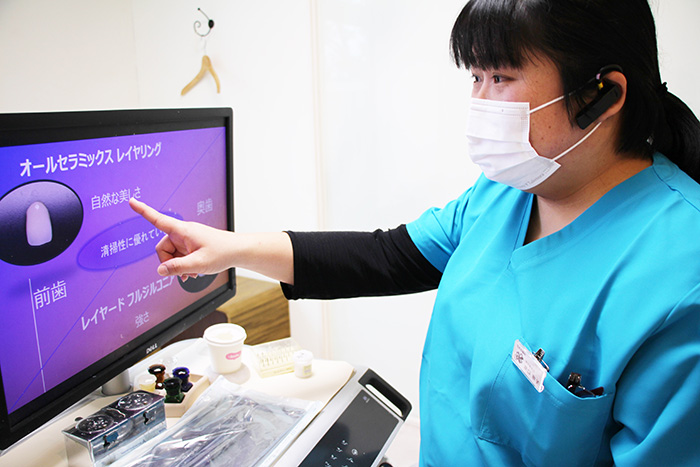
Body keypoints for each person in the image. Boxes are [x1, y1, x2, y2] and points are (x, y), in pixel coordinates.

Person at [130, 0, 700, 464]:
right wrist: (229, 248)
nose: (479, 101)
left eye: (501, 78)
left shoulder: (680, 272)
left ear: (602, 95)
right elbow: (388, 256)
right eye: (475, 77)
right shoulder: (505, 193)